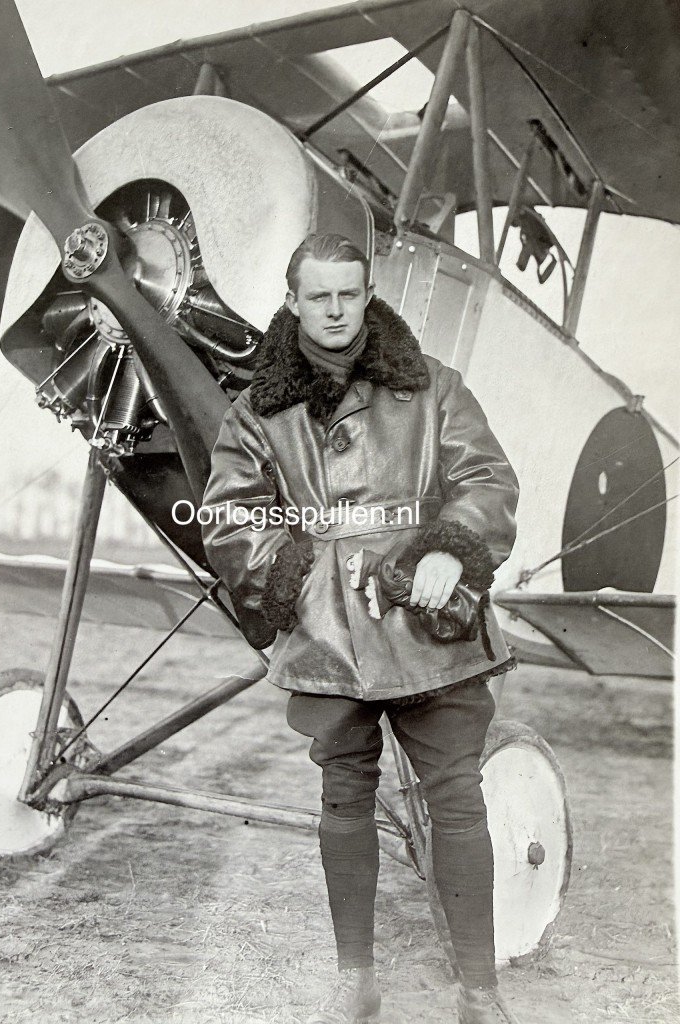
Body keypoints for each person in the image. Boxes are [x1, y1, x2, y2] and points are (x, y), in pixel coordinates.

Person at [201, 233, 521, 1024]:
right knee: (343, 795)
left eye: (351, 293)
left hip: (429, 623)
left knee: (456, 798)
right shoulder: (258, 412)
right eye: (320, 296)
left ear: (368, 292)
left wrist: (450, 547)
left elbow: (487, 480)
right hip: (327, 633)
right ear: (293, 302)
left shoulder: (435, 387)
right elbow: (229, 516)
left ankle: (479, 992)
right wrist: (299, 575)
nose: (337, 310)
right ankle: (356, 981)